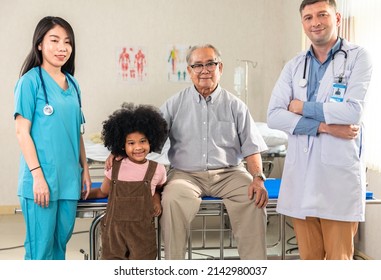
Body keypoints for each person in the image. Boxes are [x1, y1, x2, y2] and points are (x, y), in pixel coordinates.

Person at [267, 0, 372, 260]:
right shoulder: (294, 65)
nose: (315, 22)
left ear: (337, 18)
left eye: (322, 15)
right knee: (310, 261)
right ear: (302, 23)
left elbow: (351, 112)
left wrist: (301, 106)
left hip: (337, 176)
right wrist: (325, 126)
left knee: (338, 261)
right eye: (308, 17)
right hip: (302, 176)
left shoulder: (359, 57)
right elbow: (274, 116)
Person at [159, 44, 269, 259]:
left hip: (229, 173)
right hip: (185, 175)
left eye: (210, 63)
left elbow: (251, 147)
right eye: (197, 65)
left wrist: (257, 177)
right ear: (189, 71)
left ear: (220, 67)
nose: (204, 70)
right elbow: (150, 140)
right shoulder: (174, 104)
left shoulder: (236, 106)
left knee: (254, 199)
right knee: (171, 200)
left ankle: (256, 267)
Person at [14, 16, 91, 260]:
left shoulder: (73, 83)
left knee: (60, 246)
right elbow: (21, 132)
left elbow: (77, 131)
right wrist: (37, 176)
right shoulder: (30, 82)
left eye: (67, 42)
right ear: (39, 44)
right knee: (40, 250)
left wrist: (85, 169)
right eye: (54, 40)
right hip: (42, 179)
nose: (62, 48)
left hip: (69, 179)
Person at [87, 103, 168, 259]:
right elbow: (103, 191)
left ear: (151, 141)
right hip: (114, 236)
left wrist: (156, 199)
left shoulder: (158, 169)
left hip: (142, 237)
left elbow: (159, 188)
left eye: (143, 141)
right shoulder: (115, 166)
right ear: (122, 145)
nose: (138, 147)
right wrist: (80, 194)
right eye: (131, 143)